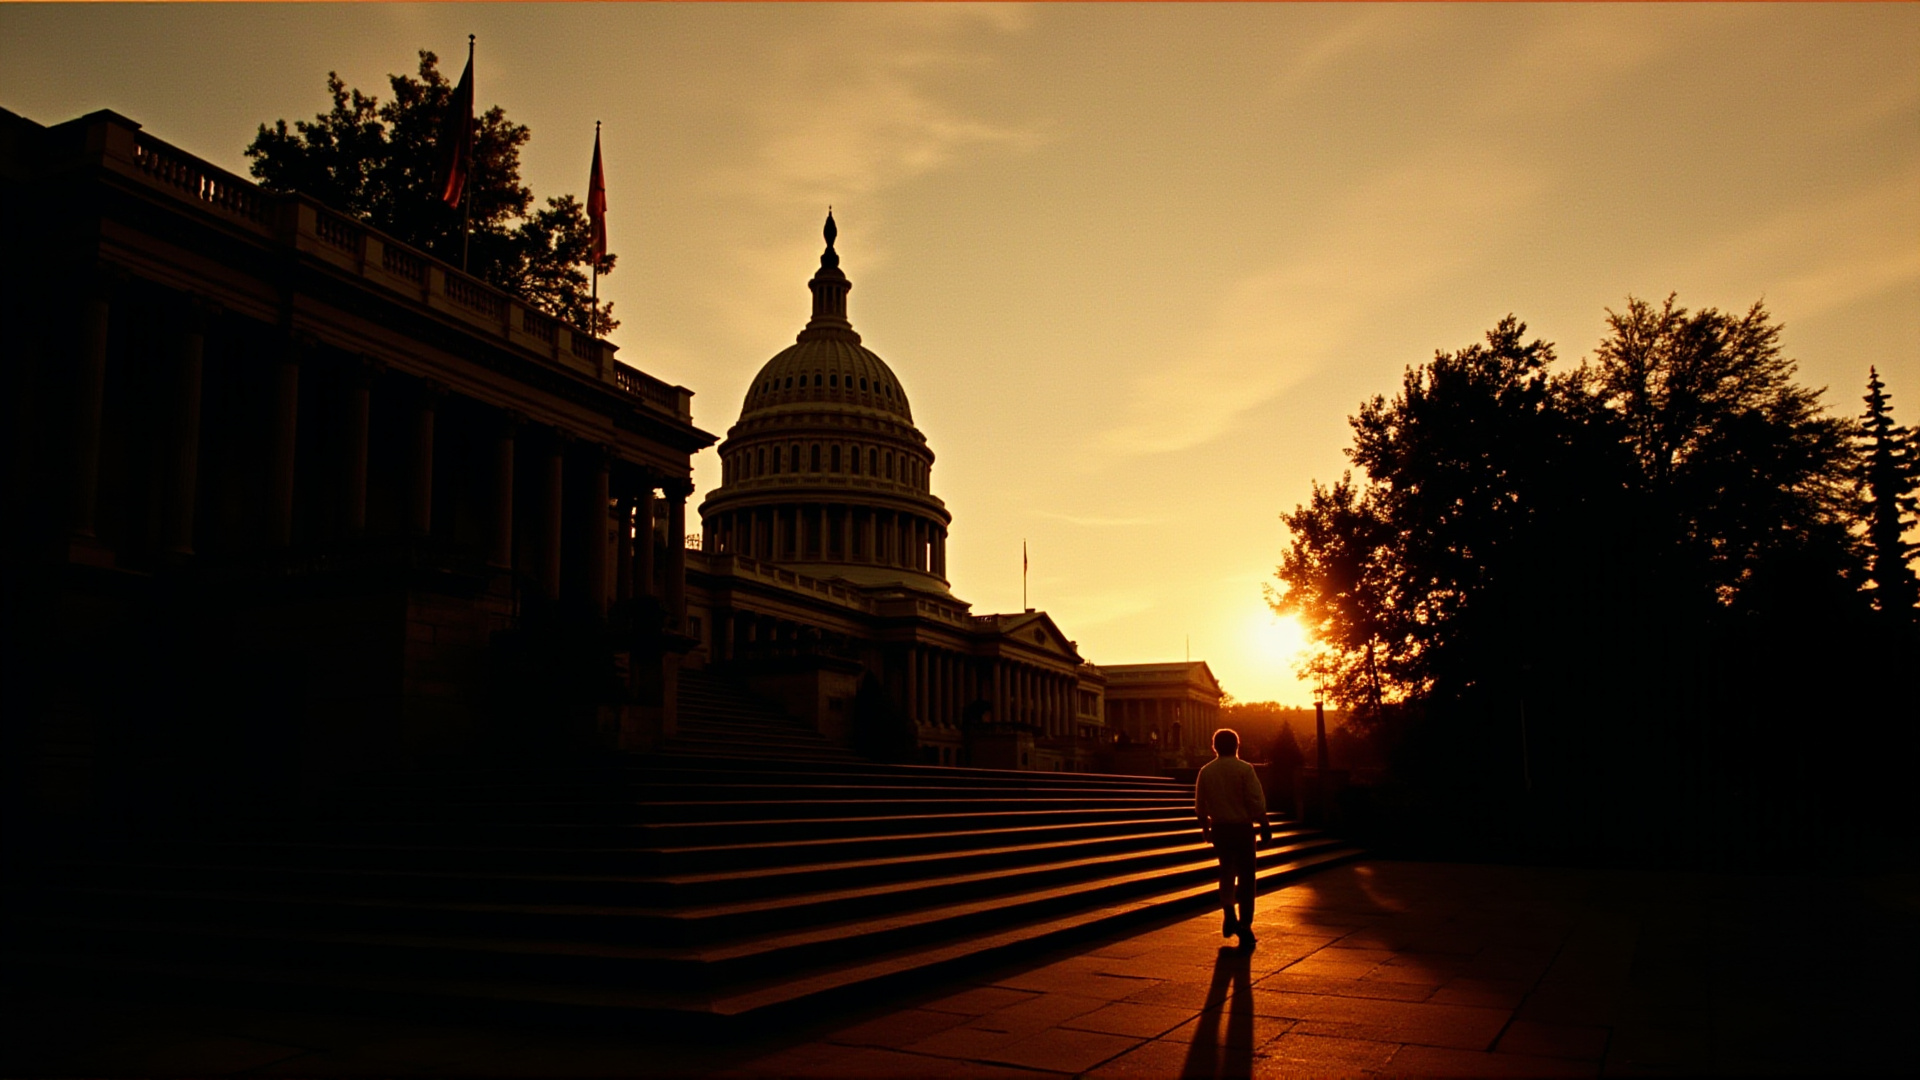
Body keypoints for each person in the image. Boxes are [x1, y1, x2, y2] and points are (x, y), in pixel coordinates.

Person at [1195, 727, 1271, 945]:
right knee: (1247, 877)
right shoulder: (1245, 769)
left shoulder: (1206, 771)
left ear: (1214, 747)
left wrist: (1205, 827)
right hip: (1242, 828)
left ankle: (1228, 908)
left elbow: (1200, 806)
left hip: (1220, 828)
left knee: (1226, 871)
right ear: (1237, 745)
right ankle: (1245, 925)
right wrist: (1264, 825)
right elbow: (1255, 801)